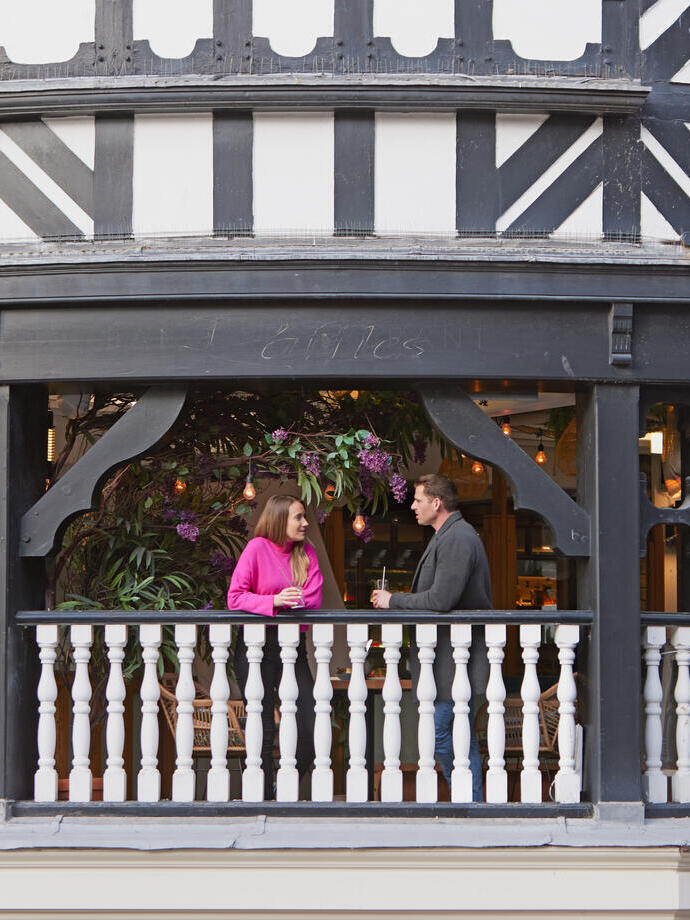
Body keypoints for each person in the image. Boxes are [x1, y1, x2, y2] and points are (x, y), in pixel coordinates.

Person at [372, 473, 491, 801]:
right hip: (449, 663)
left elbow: (441, 600)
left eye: (418, 500)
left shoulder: (457, 538)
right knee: (456, 737)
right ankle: (471, 803)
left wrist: (392, 600)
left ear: (436, 503)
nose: (412, 506)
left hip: (455, 663)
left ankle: (470, 803)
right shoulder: (451, 536)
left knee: (444, 735)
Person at [228, 494, 323, 799]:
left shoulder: (306, 552)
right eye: (298, 517)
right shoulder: (257, 548)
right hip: (257, 646)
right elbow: (235, 598)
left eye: (304, 516)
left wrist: (283, 603)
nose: (305, 523)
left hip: (293, 646)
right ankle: (263, 799)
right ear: (280, 520)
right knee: (264, 725)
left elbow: (314, 598)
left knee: (313, 725)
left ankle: (283, 788)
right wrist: (274, 601)